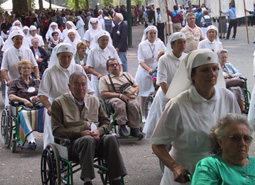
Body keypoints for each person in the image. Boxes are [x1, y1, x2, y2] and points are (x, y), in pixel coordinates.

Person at [151, 49, 241, 185]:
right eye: (205, 70)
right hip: (186, 171)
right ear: (192, 75)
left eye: (215, 69)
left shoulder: (227, 98)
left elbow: (238, 133)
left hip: (218, 170)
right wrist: (175, 167)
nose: (212, 74)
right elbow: (157, 144)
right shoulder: (178, 105)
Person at [51, 72, 126, 185]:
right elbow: (56, 130)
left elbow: (106, 123)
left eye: (83, 84)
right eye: (76, 85)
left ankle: (116, 179)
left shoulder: (94, 100)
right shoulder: (59, 103)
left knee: (111, 138)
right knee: (87, 140)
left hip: (96, 141)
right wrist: (79, 133)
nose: (80, 88)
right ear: (69, 86)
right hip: (72, 145)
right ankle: (87, 180)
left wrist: (99, 131)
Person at [38, 43, 94, 149]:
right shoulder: (50, 72)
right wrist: (50, 107)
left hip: (77, 107)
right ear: (57, 56)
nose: (66, 59)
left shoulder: (78, 69)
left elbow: (89, 90)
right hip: (57, 108)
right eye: (63, 56)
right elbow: (42, 95)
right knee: (54, 134)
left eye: (69, 56)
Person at [143, 32, 186, 140]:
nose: (182, 45)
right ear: (172, 45)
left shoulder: (187, 58)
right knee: (166, 122)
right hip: (167, 92)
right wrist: (170, 98)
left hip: (183, 92)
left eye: (184, 42)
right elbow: (162, 81)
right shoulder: (164, 59)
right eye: (179, 43)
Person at [191, 114, 255, 184]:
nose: (242, 143)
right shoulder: (209, 167)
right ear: (220, 141)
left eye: (246, 138)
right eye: (236, 138)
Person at [99, 58, 143, 138]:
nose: (115, 66)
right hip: (114, 97)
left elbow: (136, 86)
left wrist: (135, 94)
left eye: (117, 64)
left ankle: (135, 128)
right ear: (107, 68)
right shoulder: (104, 79)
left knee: (133, 103)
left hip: (129, 96)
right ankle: (122, 127)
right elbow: (103, 94)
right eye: (112, 65)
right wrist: (119, 96)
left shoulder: (126, 75)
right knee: (119, 103)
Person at [1, 29, 40, 105]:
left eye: (21, 39)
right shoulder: (7, 52)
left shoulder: (28, 51)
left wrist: (37, 77)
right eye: (17, 39)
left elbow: (35, 66)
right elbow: (4, 69)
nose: (19, 41)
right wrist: (8, 80)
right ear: (12, 40)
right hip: (13, 81)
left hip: (27, 82)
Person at [8, 60, 40, 150]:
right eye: (24, 68)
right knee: (23, 113)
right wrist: (23, 100)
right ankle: (31, 140)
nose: (26, 70)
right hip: (21, 106)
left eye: (28, 68)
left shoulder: (36, 82)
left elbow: (43, 93)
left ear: (31, 70)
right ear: (20, 70)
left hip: (36, 105)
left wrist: (38, 97)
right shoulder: (15, 82)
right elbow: (11, 96)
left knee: (47, 111)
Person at [135, 25, 165, 120]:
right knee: (143, 95)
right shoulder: (142, 45)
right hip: (144, 71)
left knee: (156, 94)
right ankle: (143, 115)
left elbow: (164, 54)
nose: (153, 35)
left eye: (154, 33)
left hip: (156, 70)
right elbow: (141, 61)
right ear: (147, 34)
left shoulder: (160, 43)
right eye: (151, 33)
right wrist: (149, 70)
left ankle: (155, 114)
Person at [87, 31, 122, 98]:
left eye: (106, 40)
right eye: (103, 40)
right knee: (99, 97)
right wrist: (98, 74)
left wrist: (120, 73)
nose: (105, 42)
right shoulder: (93, 51)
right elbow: (89, 68)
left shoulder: (111, 49)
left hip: (111, 77)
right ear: (98, 41)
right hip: (98, 79)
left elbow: (119, 63)